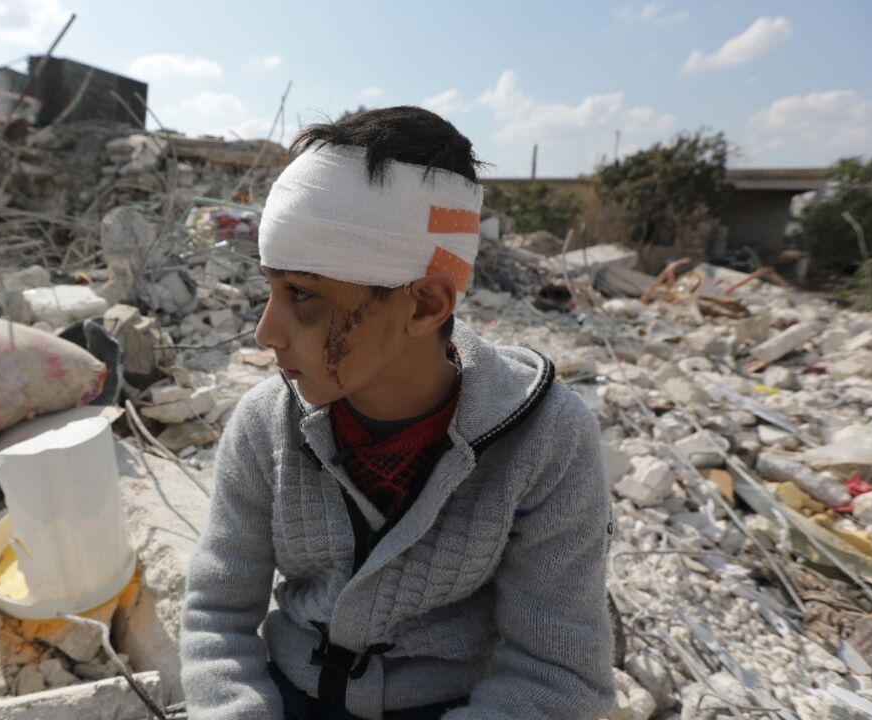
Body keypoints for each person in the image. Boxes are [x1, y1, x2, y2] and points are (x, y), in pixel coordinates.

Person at [178, 106, 615, 720]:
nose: (265, 332)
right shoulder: (266, 424)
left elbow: (556, 677)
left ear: (424, 305)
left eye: (302, 295)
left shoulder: (547, 441)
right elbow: (217, 620)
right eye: (270, 288)